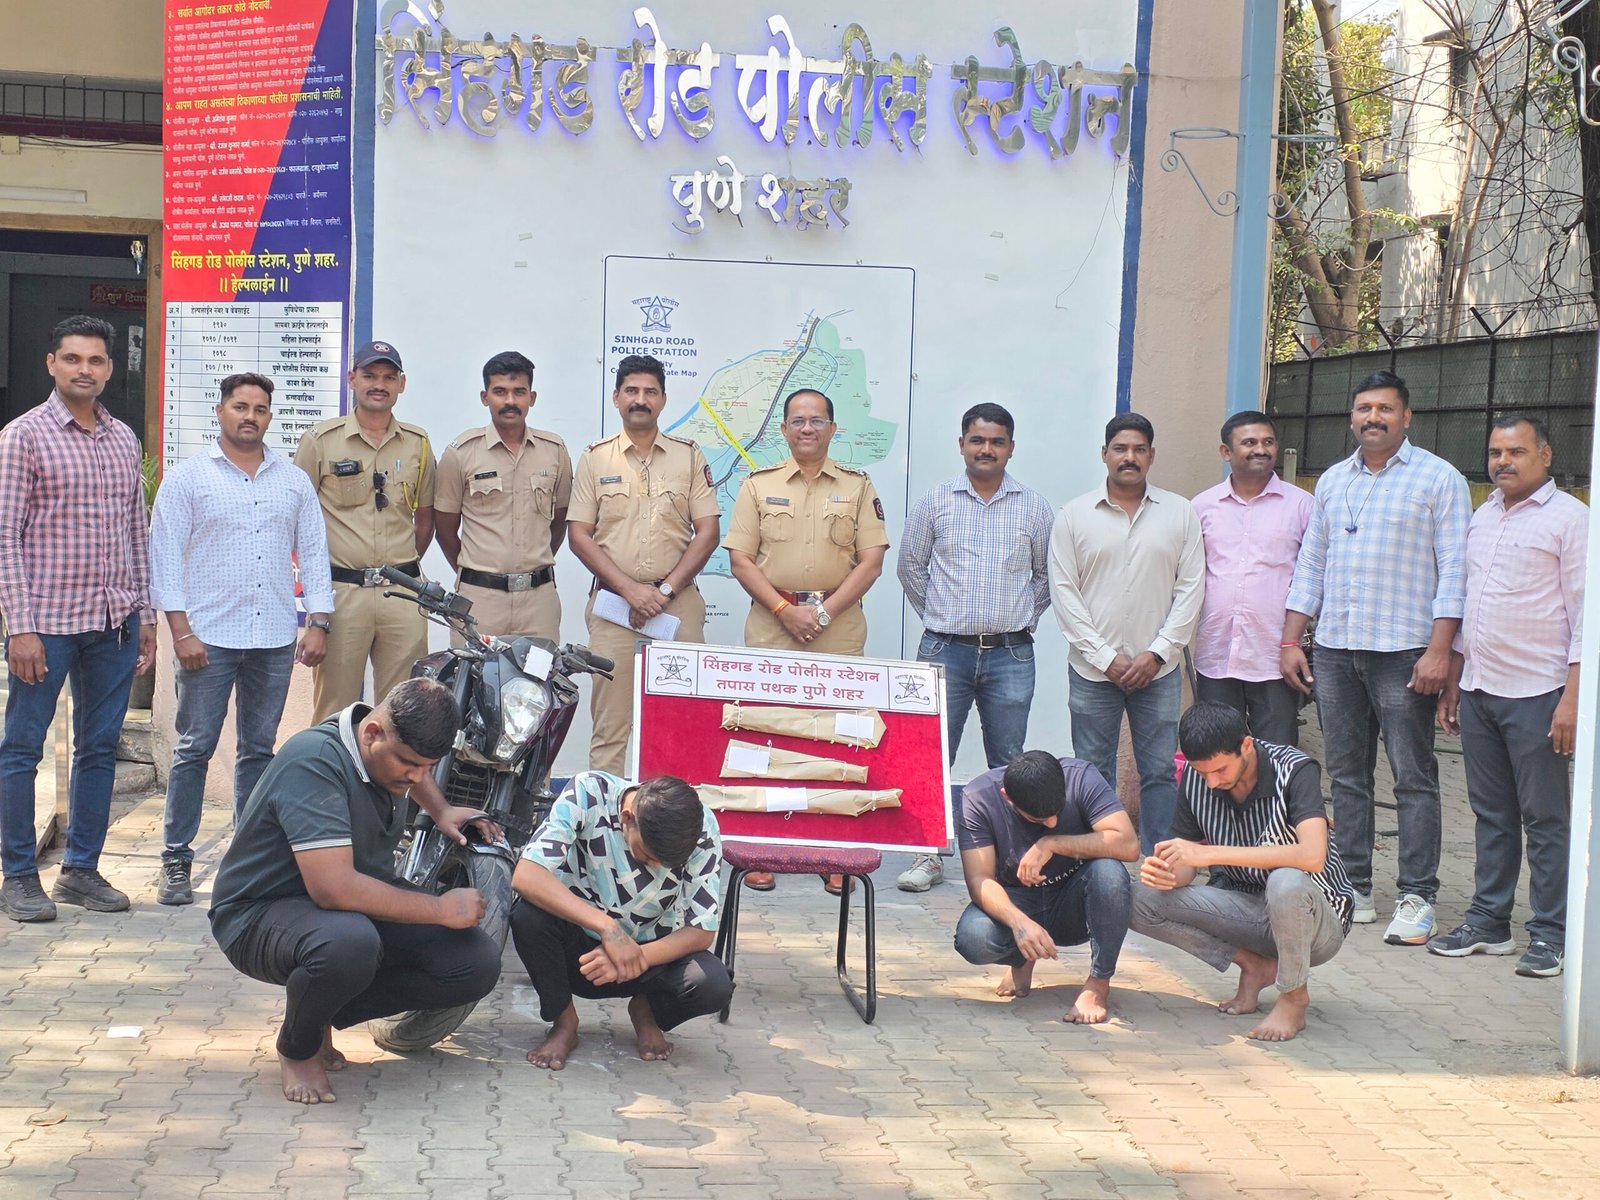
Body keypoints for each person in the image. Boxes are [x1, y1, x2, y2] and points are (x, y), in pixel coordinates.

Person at [207, 679, 502, 1105]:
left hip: (347, 904)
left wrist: (440, 809)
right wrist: (439, 908)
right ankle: (298, 1046)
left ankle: (319, 1011)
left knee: (475, 962)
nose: (416, 777)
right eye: (409, 764)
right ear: (372, 733)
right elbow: (334, 890)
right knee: (349, 945)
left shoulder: (384, 748)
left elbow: (411, 767)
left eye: (428, 767)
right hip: (259, 913)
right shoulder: (314, 762)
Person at [1281, 370, 1469, 945]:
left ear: (1406, 417)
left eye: (1385, 409)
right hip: (1337, 649)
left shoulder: (1439, 478)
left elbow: (1455, 570)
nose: (1373, 418)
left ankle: (1417, 894)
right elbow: (1311, 564)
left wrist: (1440, 650)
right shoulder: (1333, 480)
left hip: (1406, 651)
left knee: (1413, 776)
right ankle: (1354, 885)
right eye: (1364, 408)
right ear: (1352, 417)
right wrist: (1291, 640)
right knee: (1347, 775)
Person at [150, 372, 335, 905]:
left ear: (269, 417)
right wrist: (180, 631)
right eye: (240, 406)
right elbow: (165, 558)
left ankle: (248, 860)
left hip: (273, 636)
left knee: (258, 750)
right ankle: (176, 859)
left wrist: (318, 620)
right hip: (206, 637)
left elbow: (313, 552)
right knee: (194, 748)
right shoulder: (188, 479)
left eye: (259, 408)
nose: (249, 416)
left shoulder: (292, 481)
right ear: (221, 411)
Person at [0, 315, 156, 923]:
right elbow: (6, 539)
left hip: (112, 624)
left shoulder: (122, 439)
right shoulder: (23, 437)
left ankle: (81, 870)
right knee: (22, 750)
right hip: (46, 625)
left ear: (110, 368)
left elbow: (136, 532)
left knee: (99, 748)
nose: (83, 370)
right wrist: (20, 627)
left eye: (94, 360)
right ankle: (18, 875)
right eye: (72, 359)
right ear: (52, 364)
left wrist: (145, 614)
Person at [1431, 415, 1584, 979]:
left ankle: (1552, 933)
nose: (1503, 462)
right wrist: (1454, 681)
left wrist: (1572, 700)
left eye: (1516, 451)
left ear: (1545, 455)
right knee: (1491, 815)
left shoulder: (1572, 520)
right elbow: (1471, 604)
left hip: (1539, 693)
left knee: (1545, 819)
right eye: (1496, 452)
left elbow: (1586, 618)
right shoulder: (1483, 515)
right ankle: (1490, 921)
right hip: (1479, 689)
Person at [725, 387, 890, 894]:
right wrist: (785, 611)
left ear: (833, 429)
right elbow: (740, 560)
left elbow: (871, 561)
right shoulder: (758, 486)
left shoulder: (858, 486)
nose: (807, 429)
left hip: (837, 628)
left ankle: (832, 851)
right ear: (783, 430)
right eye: (798, 421)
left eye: (817, 420)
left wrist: (821, 613)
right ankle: (761, 849)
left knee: (835, 738)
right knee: (765, 736)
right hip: (772, 624)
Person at [896, 402, 1053, 893]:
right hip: (946, 651)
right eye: (978, 440)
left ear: (1011, 447)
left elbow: (1047, 575)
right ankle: (927, 855)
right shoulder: (935, 501)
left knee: (1009, 760)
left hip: (1011, 654)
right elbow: (910, 567)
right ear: (962, 444)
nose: (987, 449)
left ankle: (1010, 859)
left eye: (997, 441)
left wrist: (1021, 618)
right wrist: (943, 618)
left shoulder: (1033, 506)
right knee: (931, 754)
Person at [1130, 701, 1355, 1042]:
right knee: (1137, 898)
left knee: (1286, 881)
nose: (1211, 783)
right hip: (1247, 910)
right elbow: (1187, 867)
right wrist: (1166, 874)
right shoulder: (1197, 778)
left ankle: (1293, 996)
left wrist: (1208, 853)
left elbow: (1312, 856)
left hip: (1315, 920)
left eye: (1220, 770)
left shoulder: (1294, 770)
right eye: (1202, 773)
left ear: (1246, 746)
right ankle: (1254, 965)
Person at [1048, 412, 1204, 855]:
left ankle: (1160, 862)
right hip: (1093, 673)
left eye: (1139, 449)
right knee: (1091, 772)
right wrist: (1105, 657)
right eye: (1120, 449)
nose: (1129, 457)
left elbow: (1191, 589)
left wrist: (1158, 653)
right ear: (1104, 454)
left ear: (1151, 455)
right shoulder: (1074, 516)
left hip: (1159, 672)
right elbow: (1064, 593)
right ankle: (1097, 861)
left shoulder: (1180, 513)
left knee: (1158, 771)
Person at [510, 771, 730, 1069]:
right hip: (581, 958)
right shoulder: (587, 792)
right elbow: (526, 875)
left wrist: (635, 956)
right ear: (627, 818)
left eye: (667, 864)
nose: (656, 867)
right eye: (647, 857)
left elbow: (702, 930)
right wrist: (608, 929)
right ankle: (564, 1023)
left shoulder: (698, 825)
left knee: (713, 983)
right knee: (527, 916)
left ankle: (646, 1010)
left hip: (648, 960)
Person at [567, 355, 720, 774]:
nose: (641, 399)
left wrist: (663, 592)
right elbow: (579, 535)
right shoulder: (596, 459)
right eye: (631, 391)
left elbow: (708, 533)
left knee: (682, 723)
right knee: (610, 729)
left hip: (677, 607)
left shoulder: (689, 457)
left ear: (663, 399)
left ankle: (674, 814)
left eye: (650, 392)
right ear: (616, 398)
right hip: (614, 609)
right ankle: (606, 811)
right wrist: (631, 591)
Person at [295, 340, 436, 722]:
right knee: (334, 711)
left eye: (389, 377)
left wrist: (401, 568)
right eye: (370, 375)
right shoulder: (320, 442)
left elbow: (424, 520)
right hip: (344, 594)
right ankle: (332, 765)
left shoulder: (419, 444)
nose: (379, 385)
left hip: (402, 595)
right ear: (351, 379)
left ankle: (393, 768)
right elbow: (298, 522)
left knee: (404, 712)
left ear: (401, 384)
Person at [953, 750, 1138, 1024]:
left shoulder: (1081, 777)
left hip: (1074, 901)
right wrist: (1019, 924)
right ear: (1007, 797)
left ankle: (1098, 983)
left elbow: (1129, 845)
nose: (1051, 823)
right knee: (974, 939)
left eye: (1057, 813)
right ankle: (1022, 957)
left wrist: (1052, 843)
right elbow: (980, 880)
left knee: (1110, 873)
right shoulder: (978, 798)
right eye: (1038, 820)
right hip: (1018, 900)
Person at [1191, 410, 1313, 746]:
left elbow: (1313, 577)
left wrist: (1294, 642)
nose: (1260, 449)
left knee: (1275, 754)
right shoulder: (1201, 507)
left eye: (1267, 442)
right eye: (1249, 442)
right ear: (1226, 452)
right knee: (1218, 751)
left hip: (1275, 657)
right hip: (1217, 654)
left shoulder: (1302, 506)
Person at [435, 351, 572, 640]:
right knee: (473, 671)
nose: (510, 401)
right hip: (479, 599)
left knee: (540, 670)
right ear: (485, 397)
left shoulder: (554, 451)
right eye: (500, 392)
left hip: (538, 601)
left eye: (519, 392)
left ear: (532, 398)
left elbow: (559, 522)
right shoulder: (461, 453)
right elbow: (445, 529)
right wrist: (477, 575)